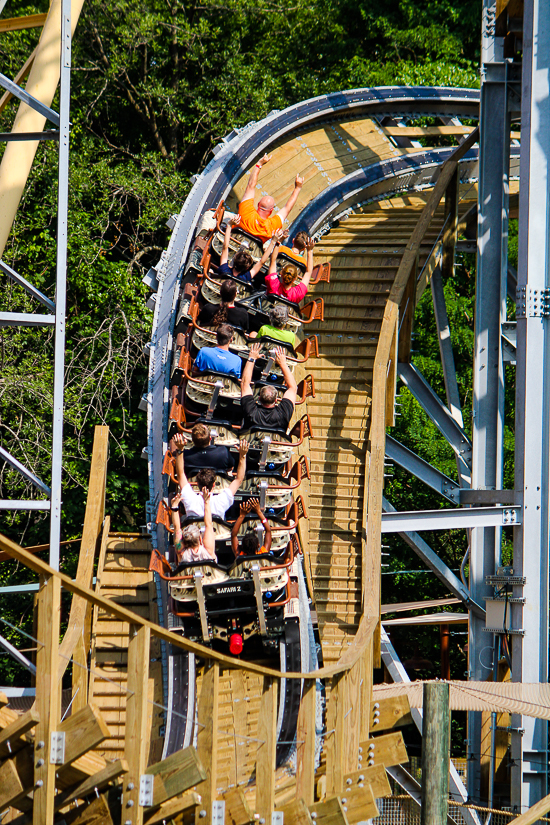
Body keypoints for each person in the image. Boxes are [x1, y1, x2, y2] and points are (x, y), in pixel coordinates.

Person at [173, 433, 249, 519]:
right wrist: (243, 455)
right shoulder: (221, 501)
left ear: (197, 484)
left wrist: (180, 450)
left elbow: (180, 474)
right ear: (214, 485)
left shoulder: (190, 500)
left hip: (193, 528)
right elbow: (239, 479)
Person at [238, 153, 304, 243]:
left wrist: (259, 164)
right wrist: (298, 188)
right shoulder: (272, 226)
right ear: (271, 210)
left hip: (233, 241)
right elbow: (287, 209)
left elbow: (251, 185)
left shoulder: (246, 211)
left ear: (258, 204)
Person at [241, 343, 297, 431]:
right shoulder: (284, 414)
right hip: (274, 440)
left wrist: (251, 358)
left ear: (259, 398)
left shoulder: (251, 411)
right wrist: (283, 364)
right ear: (276, 400)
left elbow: (245, 383)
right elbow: (293, 387)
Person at [218, 216, 282, 284]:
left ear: (234, 260)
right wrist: (273, 242)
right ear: (247, 268)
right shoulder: (245, 278)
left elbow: (225, 247)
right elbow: (261, 262)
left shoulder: (224, 270)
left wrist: (229, 225)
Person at [170, 487, 216, 564]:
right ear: (200, 539)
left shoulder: (181, 553)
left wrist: (174, 506)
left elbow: (177, 528)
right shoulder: (208, 551)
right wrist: (206, 502)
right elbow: (209, 524)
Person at [265, 236, 315, 304]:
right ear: (295, 278)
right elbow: (308, 272)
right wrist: (310, 251)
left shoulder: (273, 284)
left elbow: (273, 260)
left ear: (281, 273)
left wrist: (278, 242)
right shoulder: (297, 294)